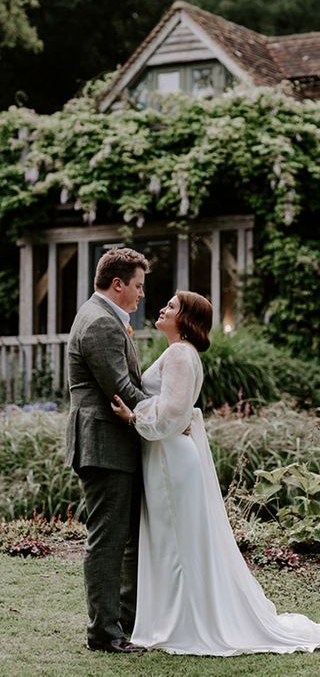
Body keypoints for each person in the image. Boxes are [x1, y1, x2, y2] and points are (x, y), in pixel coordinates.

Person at [111, 290, 320, 655]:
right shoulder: (180, 353)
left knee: (177, 544)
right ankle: (175, 619)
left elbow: (171, 413)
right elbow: (183, 410)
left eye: (172, 306)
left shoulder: (181, 354)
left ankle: (185, 624)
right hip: (166, 455)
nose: (163, 308)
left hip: (171, 462)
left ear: (185, 320)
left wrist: (134, 416)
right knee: (173, 542)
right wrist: (179, 417)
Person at [65, 247, 150, 653]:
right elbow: (122, 389)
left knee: (126, 537)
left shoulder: (104, 318)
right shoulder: (100, 323)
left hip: (114, 444)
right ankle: (105, 632)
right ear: (117, 284)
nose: (140, 295)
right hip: (103, 444)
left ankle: (124, 623)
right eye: (137, 286)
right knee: (108, 539)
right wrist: (168, 417)